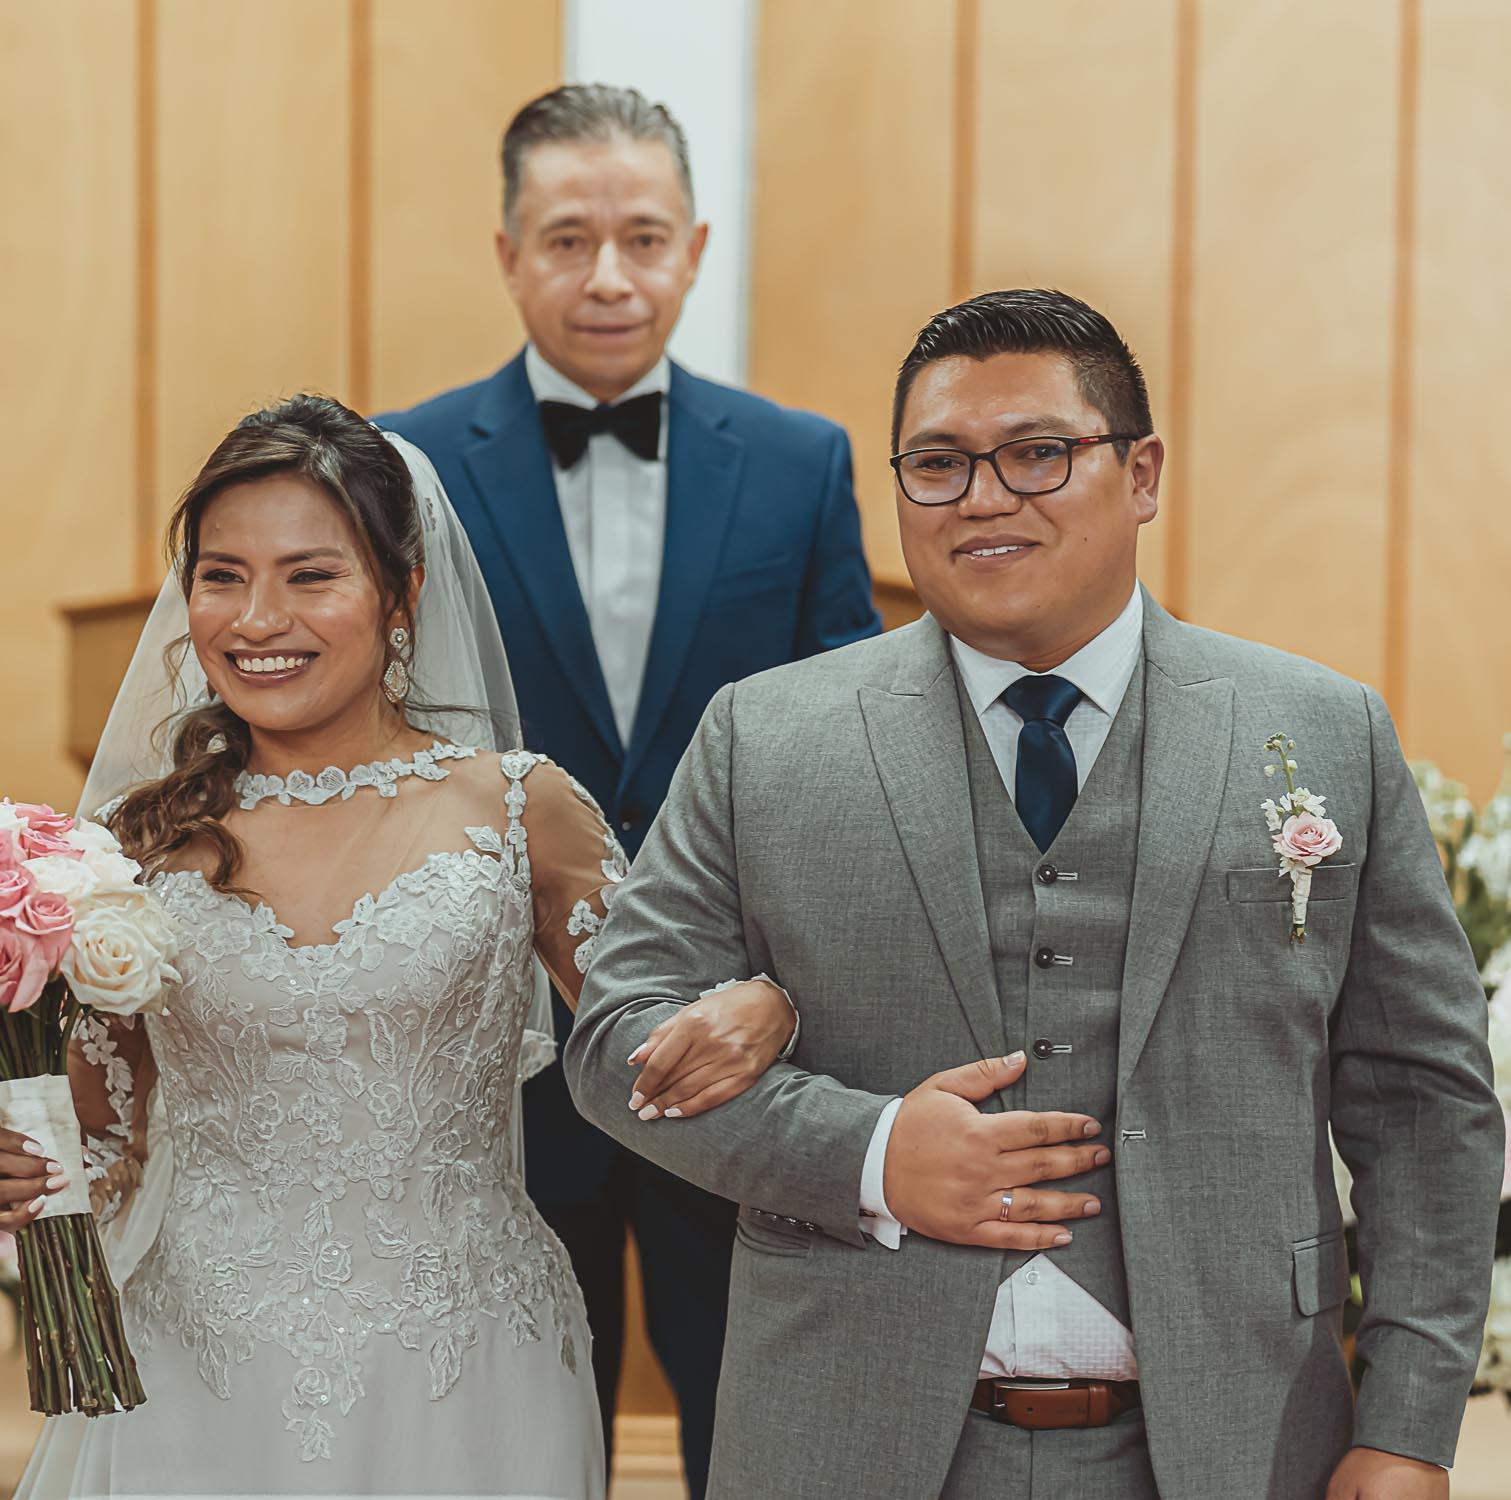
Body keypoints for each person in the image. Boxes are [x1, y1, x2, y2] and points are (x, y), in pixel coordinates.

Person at [564, 289, 1506, 1499]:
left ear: (1140, 473)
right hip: (843, 1435)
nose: (983, 497)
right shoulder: (764, 738)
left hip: (1236, 1446)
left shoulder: (1322, 731)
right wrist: (870, 1154)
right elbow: (611, 1042)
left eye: (1036, 454)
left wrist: (1407, 1424)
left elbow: (1422, 1103)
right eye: (937, 464)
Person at [0, 395, 794, 1498]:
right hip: (197, 1365)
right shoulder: (137, 842)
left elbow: (657, 1039)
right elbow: (102, 1135)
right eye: (222, 575)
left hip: (464, 1362)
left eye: (309, 576)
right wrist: (26, 1170)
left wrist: (764, 1007)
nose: (257, 619)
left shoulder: (519, 809)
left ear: (401, 591)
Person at [376, 83, 880, 1493]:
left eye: (643, 238)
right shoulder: (401, 461)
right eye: (567, 239)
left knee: (751, 1404)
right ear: (507, 253)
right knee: (517, 1417)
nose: (608, 275)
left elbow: (850, 748)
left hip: (735, 1032)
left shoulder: (798, 462)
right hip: (489, 1040)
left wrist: (783, 982)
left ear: (695, 249)